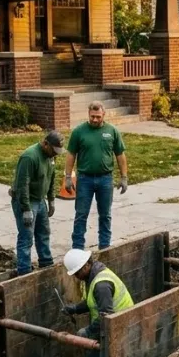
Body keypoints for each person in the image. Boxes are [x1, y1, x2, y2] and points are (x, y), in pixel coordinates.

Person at [61, 248, 135, 357]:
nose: (76, 277)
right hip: (112, 323)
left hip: (120, 325)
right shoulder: (92, 277)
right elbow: (92, 302)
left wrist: (88, 331)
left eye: (77, 273)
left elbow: (106, 316)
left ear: (86, 266)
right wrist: (74, 309)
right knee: (96, 355)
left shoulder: (101, 285)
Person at [65, 102, 128, 250]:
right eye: (92, 117)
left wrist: (124, 177)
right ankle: (78, 247)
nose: (94, 120)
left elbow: (120, 154)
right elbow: (70, 154)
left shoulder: (112, 131)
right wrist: (68, 177)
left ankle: (105, 246)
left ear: (103, 115)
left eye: (98, 117)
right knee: (81, 214)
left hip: (105, 179)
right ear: (88, 114)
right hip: (84, 179)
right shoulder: (79, 132)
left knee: (105, 215)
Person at [8, 131, 65, 276]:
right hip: (26, 201)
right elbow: (22, 185)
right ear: (45, 144)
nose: (56, 154)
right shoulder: (29, 157)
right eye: (54, 150)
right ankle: (24, 271)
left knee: (43, 233)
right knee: (26, 237)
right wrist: (26, 209)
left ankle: (46, 263)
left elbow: (51, 177)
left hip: (40, 201)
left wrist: (51, 199)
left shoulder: (50, 156)